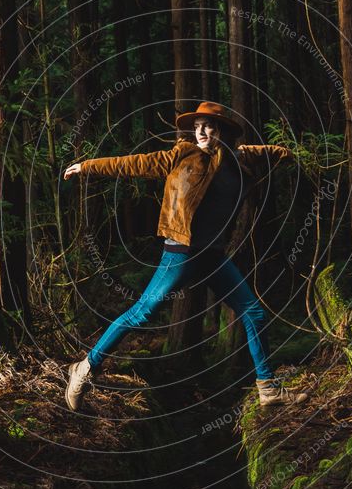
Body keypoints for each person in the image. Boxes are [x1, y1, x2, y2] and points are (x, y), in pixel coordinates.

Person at [63, 101, 308, 411]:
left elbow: (268, 152)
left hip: (213, 255)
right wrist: (87, 166)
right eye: (197, 127)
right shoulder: (182, 154)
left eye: (209, 126)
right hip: (181, 251)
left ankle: (267, 389)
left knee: (254, 312)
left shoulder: (237, 158)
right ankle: (84, 369)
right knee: (142, 313)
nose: (201, 131)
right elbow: (133, 163)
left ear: (222, 131)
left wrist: (296, 156)